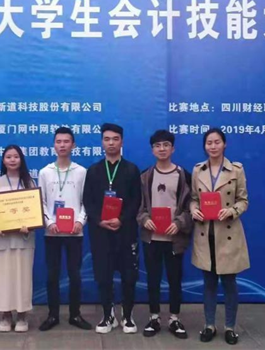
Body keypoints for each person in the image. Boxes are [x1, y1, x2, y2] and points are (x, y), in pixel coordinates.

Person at [190, 128, 250, 345]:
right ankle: (209, 325)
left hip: (228, 233)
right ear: (204, 146)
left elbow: (243, 200)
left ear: (225, 144)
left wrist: (232, 211)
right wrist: (193, 210)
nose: (213, 146)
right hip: (205, 233)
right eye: (209, 142)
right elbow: (193, 198)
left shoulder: (236, 170)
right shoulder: (198, 170)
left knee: (229, 283)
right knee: (209, 283)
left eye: (217, 142)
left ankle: (230, 327)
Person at [83, 123, 142, 334]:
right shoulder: (94, 170)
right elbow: (88, 201)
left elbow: (136, 201)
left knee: (129, 276)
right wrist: (99, 220)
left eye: (115, 139)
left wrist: (122, 219)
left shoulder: (131, 169)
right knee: (103, 275)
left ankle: (127, 315)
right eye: (107, 139)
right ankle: (108, 315)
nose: (111, 143)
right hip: (101, 232)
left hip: (125, 231)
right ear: (102, 142)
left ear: (122, 142)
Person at [136, 130, 191, 339]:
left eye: (166, 145)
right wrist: (144, 219)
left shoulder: (184, 176)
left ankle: (174, 318)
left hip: (174, 239)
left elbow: (191, 207)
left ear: (173, 148)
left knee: (175, 279)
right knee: (153, 279)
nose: (162, 149)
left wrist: (179, 223)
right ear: (152, 150)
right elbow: (138, 206)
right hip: (151, 238)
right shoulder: (145, 176)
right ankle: (154, 317)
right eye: (157, 146)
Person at [37, 127, 92, 331]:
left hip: (74, 232)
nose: (62, 145)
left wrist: (80, 221)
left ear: (73, 145)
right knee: (52, 275)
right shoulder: (45, 172)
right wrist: (49, 222)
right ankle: (53, 315)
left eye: (66, 141)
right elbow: (41, 201)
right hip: (52, 232)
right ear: (54, 145)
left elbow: (87, 201)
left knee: (74, 275)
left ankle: (75, 314)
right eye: (58, 141)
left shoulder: (81, 172)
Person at [0, 145, 37, 332]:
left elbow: (36, 210)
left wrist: (30, 225)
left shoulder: (29, 183)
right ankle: (5, 315)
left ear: (21, 159)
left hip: (24, 239)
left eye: (16, 156)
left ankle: (22, 315)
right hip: (2, 240)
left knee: (23, 278)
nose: (12, 160)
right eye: (8, 157)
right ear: (3, 160)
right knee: (3, 278)